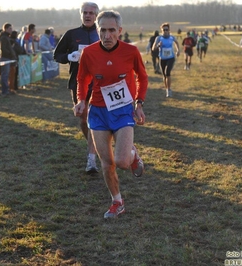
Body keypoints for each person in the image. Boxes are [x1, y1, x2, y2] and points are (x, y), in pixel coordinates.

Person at [74, 10, 148, 219]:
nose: (107, 36)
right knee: (107, 164)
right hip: (97, 111)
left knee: (122, 161)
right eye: (103, 31)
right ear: (98, 30)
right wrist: (81, 100)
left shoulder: (131, 51)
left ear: (120, 31)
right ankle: (117, 202)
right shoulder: (89, 53)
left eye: (112, 31)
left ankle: (133, 156)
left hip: (123, 109)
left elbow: (142, 77)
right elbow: (82, 79)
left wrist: (139, 103)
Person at [54, 2, 100, 174]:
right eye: (85, 12)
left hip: (100, 84)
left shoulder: (102, 33)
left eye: (91, 13)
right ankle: (96, 146)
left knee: (96, 120)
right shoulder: (71, 34)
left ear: (96, 15)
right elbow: (56, 55)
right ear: (81, 14)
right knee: (83, 119)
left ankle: (92, 159)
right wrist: (69, 56)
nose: (88, 15)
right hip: (78, 82)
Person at [152, 23, 180, 97]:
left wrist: (178, 50)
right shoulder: (158, 38)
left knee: (167, 72)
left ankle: (169, 90)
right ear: (161, 30)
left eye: (166, 29)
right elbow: (153, 48)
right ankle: (167, 88)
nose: (165, 31)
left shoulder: (172, 37)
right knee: (164, 76)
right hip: (162, 58)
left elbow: (176, 43)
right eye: (163, 30)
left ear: (169, 30)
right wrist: (158, 45)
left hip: (171, 58)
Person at [0, 22, 17, 95]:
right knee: (5, 75)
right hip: (5, 58)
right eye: (10, 28)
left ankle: (7, 89)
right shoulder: (3, 37)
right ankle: (4, 91)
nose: (11, 30)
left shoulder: (7, 37)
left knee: (8, 75)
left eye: (11, 28)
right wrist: (10, 54)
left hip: (8, 58)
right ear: (5, 29)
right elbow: (3, 48)